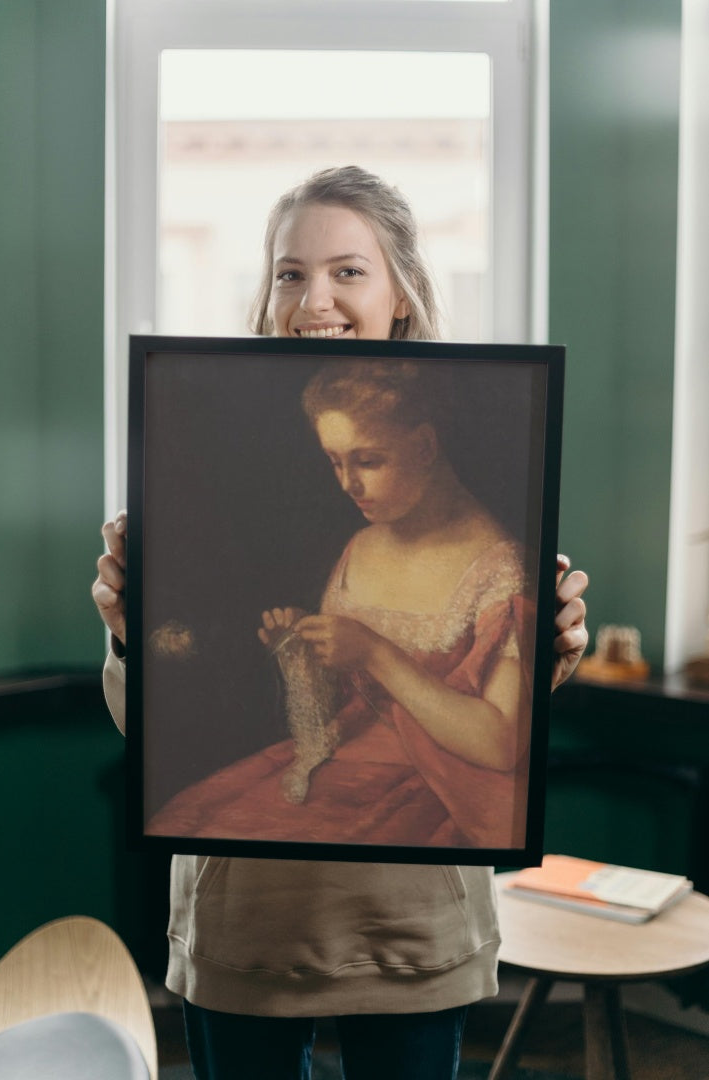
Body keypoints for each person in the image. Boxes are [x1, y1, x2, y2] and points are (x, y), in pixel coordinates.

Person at [93, 166, 589, 1080]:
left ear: (400, 290)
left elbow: (494, 739)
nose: (312, 297)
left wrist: (552, 654)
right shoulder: (334, 530)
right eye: (289, 272)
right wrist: (143, 637)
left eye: (347, 271)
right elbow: (174, 724)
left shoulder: (499, 541)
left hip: (405, 918)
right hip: (249, 915)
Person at [144, 359, 534, 851]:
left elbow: (499, 744)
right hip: (346, 765)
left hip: (439, 791)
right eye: (335, 461)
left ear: (425, 447)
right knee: (187, 823)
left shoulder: (503, 570)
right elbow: (340, 703)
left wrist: (374, 653)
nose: (348, 484)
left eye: (368, 461)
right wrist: (303, 651)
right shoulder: (362, 546)